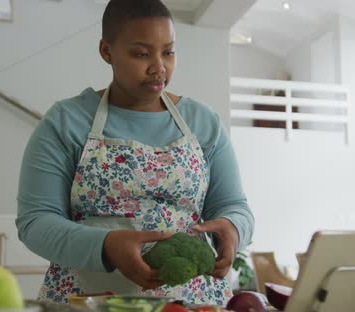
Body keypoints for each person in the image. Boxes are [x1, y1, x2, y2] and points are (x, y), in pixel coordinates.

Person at [16, 0, 254, 305]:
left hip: (192, 302)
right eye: (142, 54)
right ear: (106, 51)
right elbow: (35, 222)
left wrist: (233, 229)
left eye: (168, 52)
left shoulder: (203, 123)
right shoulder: (66, 121)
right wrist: (106, 245)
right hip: (85, 301)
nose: (159, 67)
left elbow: (234, 205)